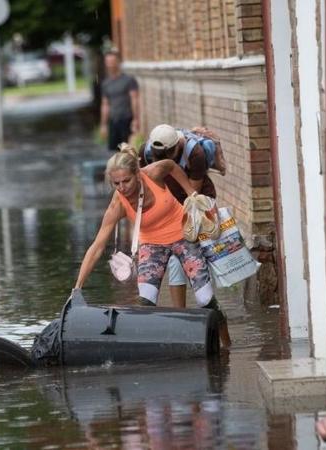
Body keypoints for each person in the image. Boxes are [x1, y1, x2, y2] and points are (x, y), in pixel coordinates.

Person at [74, 144, 231, 347]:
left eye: (126, 181)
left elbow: (171, 165)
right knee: (144, 304)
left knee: (205, 300)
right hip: (152, 244)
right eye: (116, 183)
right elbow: (97, 246)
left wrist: (191, 192)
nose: (122, 188)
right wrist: (77, 287)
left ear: (138, 174)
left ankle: (227, 345)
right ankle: (157, 348)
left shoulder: (154, 173)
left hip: (182, 235)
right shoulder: (118, 204)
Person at [141, 124, 217, 308]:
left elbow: (192, 196)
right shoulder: (145, 152)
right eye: (158, 159)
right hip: (168, 208)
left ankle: (206, 309)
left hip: (196, 205)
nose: (164, 164)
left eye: (169, 159)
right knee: (176, 261)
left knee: (196, 257)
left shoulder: (195, 154)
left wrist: (171, 222)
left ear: (177, 148)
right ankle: (181, 313)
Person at [99, 51, 139, 151]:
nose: (110, 64)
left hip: (126, 119)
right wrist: (103, 124)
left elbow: (134, 100)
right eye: (108, 62)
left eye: (112, 61)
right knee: (115, 151)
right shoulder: (105, 83)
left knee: (127, 150)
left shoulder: (129, 80)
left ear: (118, 62)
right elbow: (105, 104)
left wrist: (136, 119)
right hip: (113, 120)